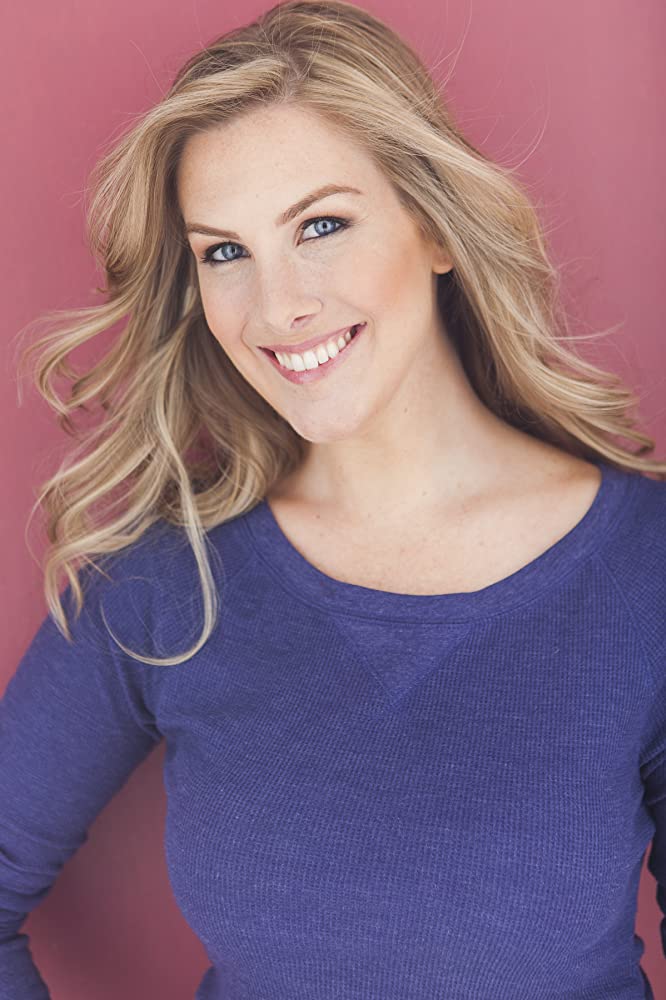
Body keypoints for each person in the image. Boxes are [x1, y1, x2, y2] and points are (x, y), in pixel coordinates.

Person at [2, 0, 665, 996]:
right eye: (225, 251)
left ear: (433, 227)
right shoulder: (166, 582)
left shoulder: (643, 571)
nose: (278, 308)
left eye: (321, 226)